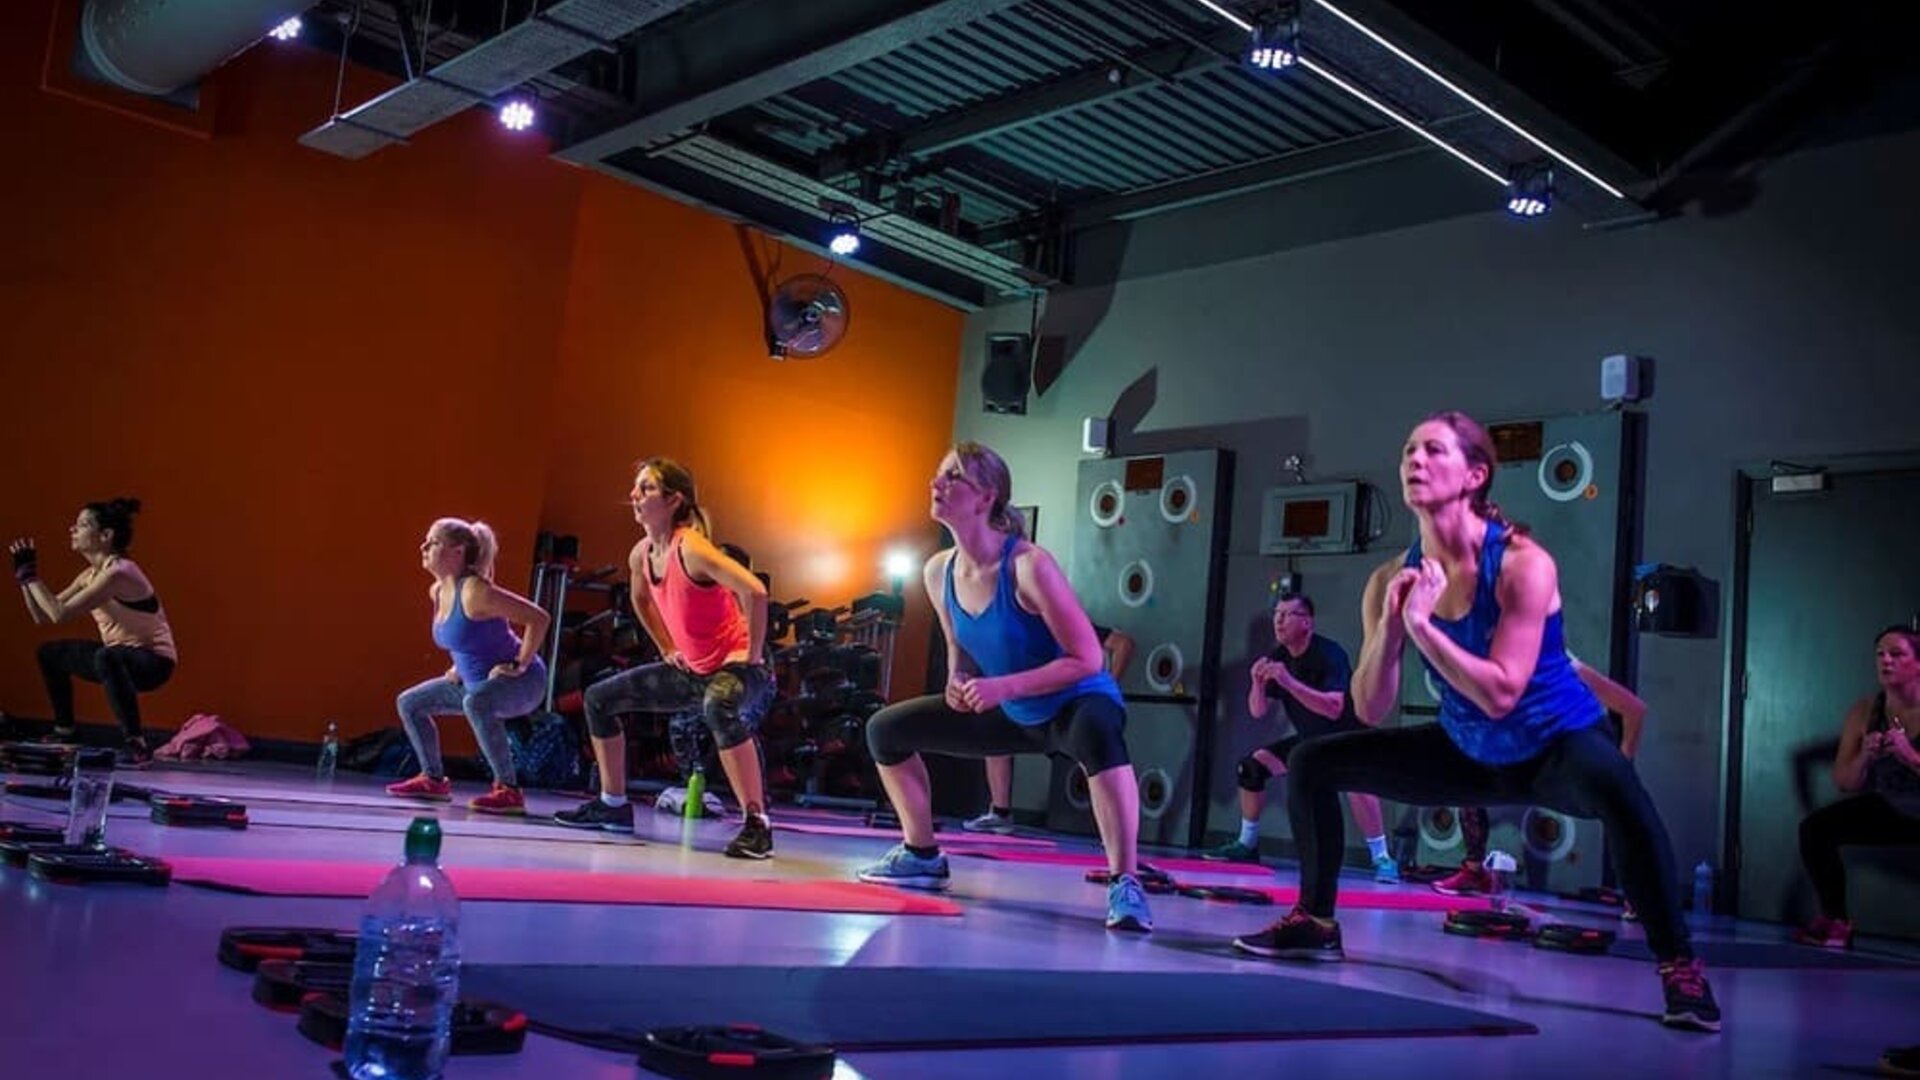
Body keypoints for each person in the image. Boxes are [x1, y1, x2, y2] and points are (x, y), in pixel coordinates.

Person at [1227, 411, 1719, 1033]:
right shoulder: (1388, 578)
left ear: (1475, 475)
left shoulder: (1522, 564)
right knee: (1312, 762)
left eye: (1434, 450)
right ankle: (1316, 923)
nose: (1414, 459)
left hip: (1556, 746)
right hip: (1469, 750)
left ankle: (1679, 967)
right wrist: (1391, 629)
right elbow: (1371, 707)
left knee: (1620, 788)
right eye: (1409, 449)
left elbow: (1503, 693)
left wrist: (1427, 631)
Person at [857, 442, 1153, 933]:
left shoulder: (1030, 566)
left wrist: (1000, 687)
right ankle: (922, 854)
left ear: (986, 497)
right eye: (938, 474)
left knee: (1099, 731)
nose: (936, 484)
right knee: (885, 731)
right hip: (1012, 710)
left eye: (952, 477)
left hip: (1073, 705)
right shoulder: (938, 571)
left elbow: (1087, 658)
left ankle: (1127, 881)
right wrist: (957, 680)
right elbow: (961, 648)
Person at [553, 458, 776, 860]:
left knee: (718, 705)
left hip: (739, 667)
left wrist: (754, 654)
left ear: (674, 500)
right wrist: (666, 647)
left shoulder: (690, 546)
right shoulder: (641, 554)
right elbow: (640, 598)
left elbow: (755, 591)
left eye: (647, 488)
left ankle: (756, 825)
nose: (635, 496)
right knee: (599, 698)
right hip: (692, 670)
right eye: (635, 487)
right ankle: (613, 804)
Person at [1202, 593, 1400, 883]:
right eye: (1276, 614)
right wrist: (1257, 683)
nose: (1279, 621)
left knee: (1357, 784)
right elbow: (1257, 711)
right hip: (1309, 741)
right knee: (1251, 767)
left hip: (1344, 738)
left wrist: (1288, 682)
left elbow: (1334, 708)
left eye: (1288, 615)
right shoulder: (1278, 656)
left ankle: (1382, 858)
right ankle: (1247, 844)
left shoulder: (1328, 654)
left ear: (1307, 622)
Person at [1432, 655, 1648, 897]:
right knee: (1468, 784)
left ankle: (1638, 894)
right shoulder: (1496, 664)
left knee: (1620, 815)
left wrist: (1623, 764)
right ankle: (1474, 872)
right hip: (1520, 764)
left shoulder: (1562, 666)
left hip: (1564, 767)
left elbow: (1635, 710)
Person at [386, 518, 551, 814]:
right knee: (410, 702)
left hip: (524, 683)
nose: (423, 547)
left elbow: (538, 618)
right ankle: (433, 780)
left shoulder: (476, 591)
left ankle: (508, 790)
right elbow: (463, 637)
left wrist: (519, 663)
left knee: (476, 703)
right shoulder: (437, 592)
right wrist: (457, 667)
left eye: (433, 542)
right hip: (473, 683)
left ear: (458, 552)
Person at [10, 498, 176, 767]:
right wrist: (24, 578)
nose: (73, 529)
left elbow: (58, 613)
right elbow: (42, 615)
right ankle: (65, 731)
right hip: (118, 657)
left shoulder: (119, 572)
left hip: (153, 663)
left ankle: (137, 744)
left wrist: (32, 578)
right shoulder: (89, 575)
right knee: (50, 653)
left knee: (107, 657)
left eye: (83, 524)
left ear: (106, 536)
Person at [1791, 625, 1920, 950]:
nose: (1886, 662)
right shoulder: (1865, 712)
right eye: (1880, 655)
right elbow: (1845, 782)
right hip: (1893, 807)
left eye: (1897, 654)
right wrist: (1864, 755)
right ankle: (1836, 922)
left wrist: (1911, 757)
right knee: (1815, 829)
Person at [962, 624, 1133, 834]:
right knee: (995, 739)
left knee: (1091, 749)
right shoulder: (1015, 630)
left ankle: (1114, 833)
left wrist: (1108, 684)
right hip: (1028, 709)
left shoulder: (1065, 622)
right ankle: (1000, 812)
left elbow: (1123, 644)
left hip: (1067, 710)